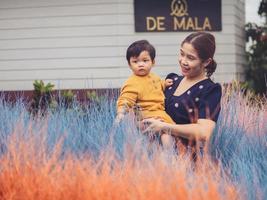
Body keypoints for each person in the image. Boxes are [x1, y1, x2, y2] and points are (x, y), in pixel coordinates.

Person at [142, 32, 222, 156]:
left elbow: (204, 132)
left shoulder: (209, 90)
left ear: (206, 62)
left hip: (185, 159)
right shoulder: (171, 81)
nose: (183, 61)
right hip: (153, 153)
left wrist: (164, 126)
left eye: (190, 58)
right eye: (181, 54)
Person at [116, 40, 175, 147]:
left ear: (153, 62)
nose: (141, 64)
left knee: (165, 135)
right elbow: (126, 98)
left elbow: (156, 86)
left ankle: (166, 153)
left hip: (159, 113)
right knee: (164, 133)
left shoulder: (154, 77)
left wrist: (164, 84)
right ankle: (167, 154)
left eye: (145, 60)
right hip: (146, 115)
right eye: (135, 61)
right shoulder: (132, 82)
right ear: (129, 64)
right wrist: (121, 113)